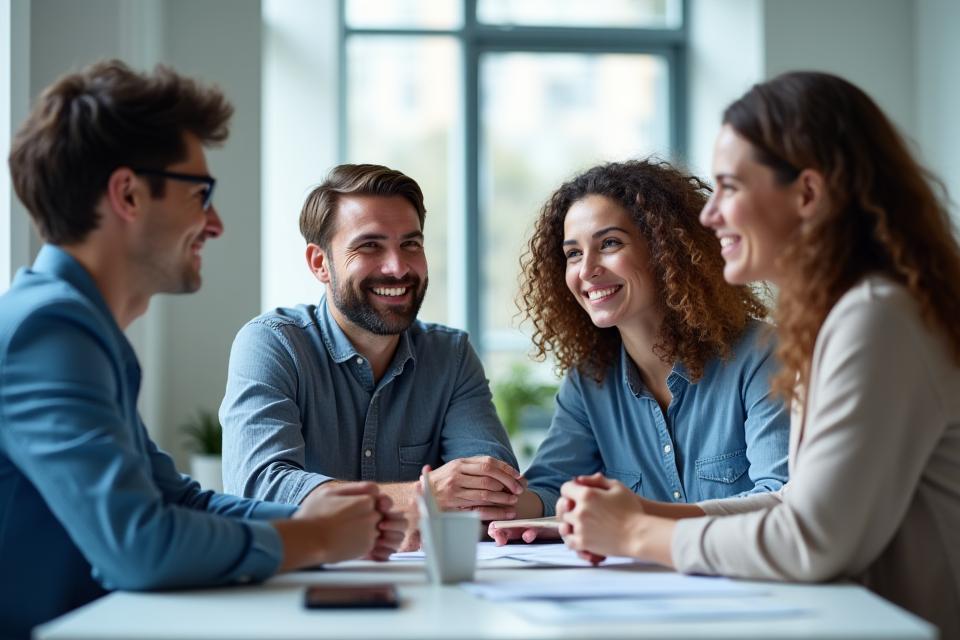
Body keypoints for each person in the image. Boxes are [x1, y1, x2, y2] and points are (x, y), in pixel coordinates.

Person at [0, 61, 403, 639]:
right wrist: (314, 538)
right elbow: (140, 546)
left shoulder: (73, 326)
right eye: (200, 194)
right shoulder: (50, 330)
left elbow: (176, 499)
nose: (213, 223)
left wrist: (321, 517)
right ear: (128, 193)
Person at [555, 72, 960, 636]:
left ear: (807, 194)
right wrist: (645, 513)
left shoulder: (875, 317)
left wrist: (634, 535)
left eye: (730, 187)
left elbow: (809, 541)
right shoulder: (844, 316)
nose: (708, 214)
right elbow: (798, 502)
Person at [489, 159, 789, 545]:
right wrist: (499, 505)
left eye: (609, 243)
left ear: (667, 250)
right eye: (574, 254)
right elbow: (552, 490)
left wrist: (634, 519)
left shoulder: (762, 354)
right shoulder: (590, 380)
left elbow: (781, 500)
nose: (587, 270)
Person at [220, 163, 522, 546]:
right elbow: (261, 488)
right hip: (299, 588)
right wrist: (421, 498)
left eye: (410, 244)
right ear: (320, 264)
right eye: (370, 246)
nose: (397, 268)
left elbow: (494, 494)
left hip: (429, 593)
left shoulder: (451, 356)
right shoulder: (272, 345)